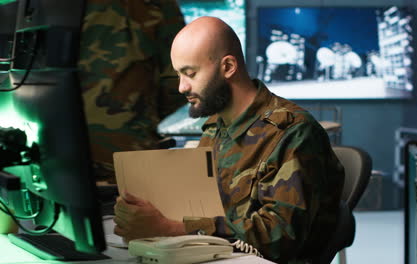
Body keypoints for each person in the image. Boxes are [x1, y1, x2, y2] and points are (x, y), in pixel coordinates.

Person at [113, 16, 344, 263]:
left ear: (228, 67)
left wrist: (169, 228)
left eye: (190, 73)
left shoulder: (291, 133)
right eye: (179, 75)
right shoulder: (216, 127)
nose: (182, 87)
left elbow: (280, 237)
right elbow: (199, 205)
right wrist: (147, 211)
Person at [78, 0, 187, 183]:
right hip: (128, 149)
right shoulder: (154, 5)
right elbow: (177, 78)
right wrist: (144, 118)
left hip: (53, 152)